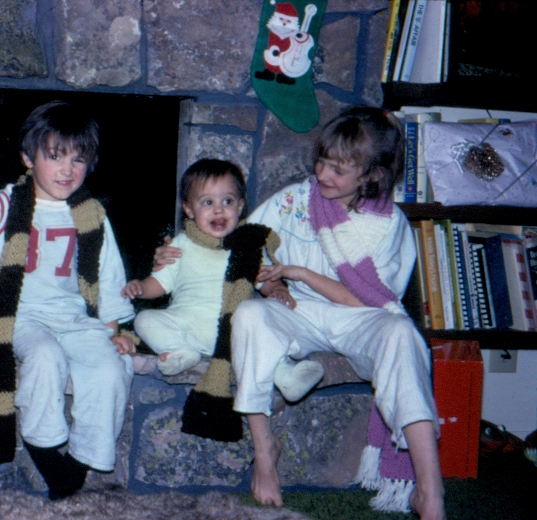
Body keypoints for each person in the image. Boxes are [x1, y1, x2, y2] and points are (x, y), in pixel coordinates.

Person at [155, 106, 445, 520]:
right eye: (321, 161)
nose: (322, 173)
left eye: (338, 169)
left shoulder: (388, 225)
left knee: (404, 336)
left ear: (371, 176)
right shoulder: (293, 200)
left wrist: (299, 272)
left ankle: (429, 491)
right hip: (300, 312)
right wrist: (180, 252)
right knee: (249, 315)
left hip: (361, 316)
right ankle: (265, 449)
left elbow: (369, 299)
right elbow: (243, 243)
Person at [0, 101, 135, 500]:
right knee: (44, 357)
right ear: (28, 158)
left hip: (74, 318)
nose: (67, 170)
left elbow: (109, 276)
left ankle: (80, 461)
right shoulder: (1, 206)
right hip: (20, 315)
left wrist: (112, 329)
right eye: (54, 157)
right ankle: (44, 449)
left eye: (78, 160)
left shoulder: (91, 214)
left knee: (111, 368)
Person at [122, 159, 289, 376]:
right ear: (189, 209)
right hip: (187, 326)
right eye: (208, 202)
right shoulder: (180, 245)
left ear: (239, 206)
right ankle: (181, 350)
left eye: (227, 201)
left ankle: (286, 373)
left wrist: (278, 289)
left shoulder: (248, 248)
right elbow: (160, 283)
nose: (219, 210)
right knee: (145, 320)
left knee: (262, 322)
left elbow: (266, 280)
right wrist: (141, 287)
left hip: (233, 330)